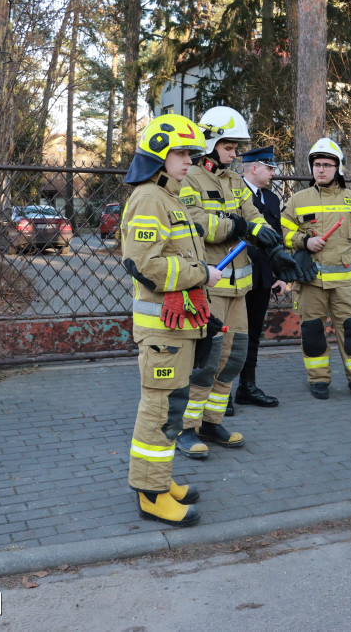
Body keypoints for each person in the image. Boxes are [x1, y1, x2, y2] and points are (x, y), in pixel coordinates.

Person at [176, 106, 309, 458]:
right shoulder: (189, 179)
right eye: (231, 147)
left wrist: (277, 250)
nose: (236, 154)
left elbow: (254, 216)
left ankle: (212, 422)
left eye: (236, 148)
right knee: (207, 360)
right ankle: (186, 428)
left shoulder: (235, 181)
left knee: (234, 358)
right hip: (211, 284)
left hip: (240, 286)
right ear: (212, 142)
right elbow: (198, 225)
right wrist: (238, 227)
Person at [120, 113, 223, 527]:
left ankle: (160, 480)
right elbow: (144, 264)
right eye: (180, 153)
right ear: (159, 156)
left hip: (178, 325)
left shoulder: (171, 198)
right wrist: (204, 274)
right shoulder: (150, 198)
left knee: (173, 406)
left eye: (190, 153)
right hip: (162, 328)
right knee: (160, 409)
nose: (187, 161)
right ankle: (150, 494)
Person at [280, 138, 351, 400]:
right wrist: (304, 241)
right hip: (310, 282)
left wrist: (349, 254)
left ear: (338, 168)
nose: (321, 169)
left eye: (327, 164)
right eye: (317, 165)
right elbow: (284, 231)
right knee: (312, 333)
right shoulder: (298, 200)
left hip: (344, 284)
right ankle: (319, 380)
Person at [233, 145, 285, 409]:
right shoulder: (232, 193)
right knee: (228, 334)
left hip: (262, 277)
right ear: (254, 168)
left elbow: (278, 241)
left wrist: (281, 276)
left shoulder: (272, 200)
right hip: (233, 276)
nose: (273, 173)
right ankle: (218, 394)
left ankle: (247, 386)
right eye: (269, 167)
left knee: (253, 333)